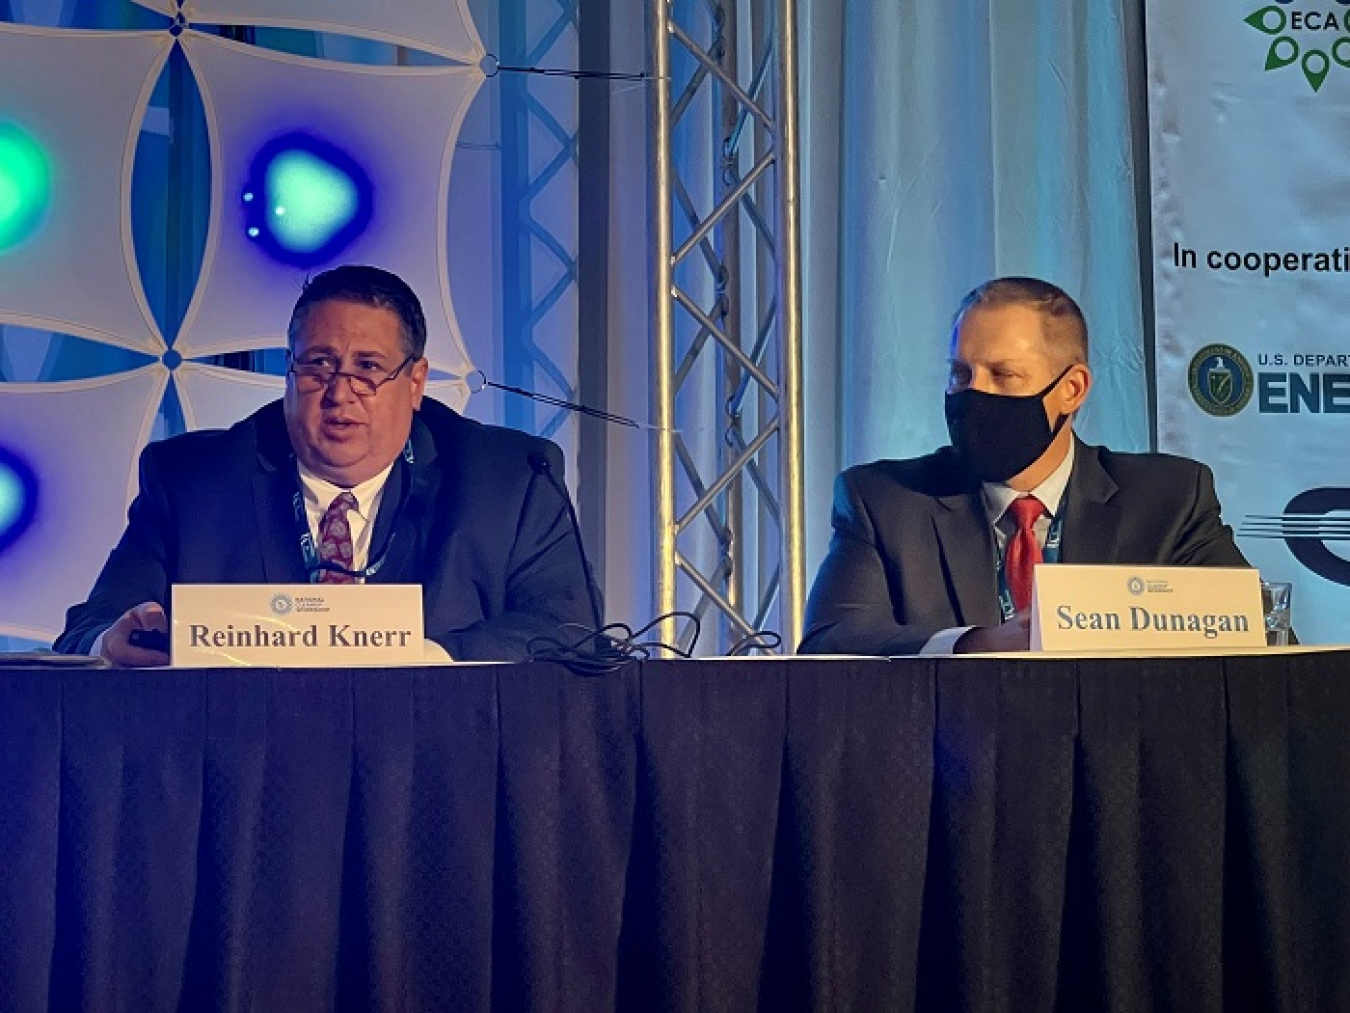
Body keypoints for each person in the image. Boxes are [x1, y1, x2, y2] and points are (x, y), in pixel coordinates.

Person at [55, 264, 599, 665]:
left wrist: (425, 657)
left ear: (415, 382)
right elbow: (89, 628)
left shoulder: (508, 481)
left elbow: (570, 631)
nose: (340, 394)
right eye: (318, 365)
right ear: (289, 371)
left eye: (368, 369)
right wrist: (113, 641)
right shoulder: (194, 482)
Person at [799, 276, 1249, 656]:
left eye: (1003, 375)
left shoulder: (1169, 500)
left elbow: (1256, 641)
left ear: (1071, 389)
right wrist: (978, 644)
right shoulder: (886, 501)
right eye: (960, 374)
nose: (973, 395)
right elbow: (831, 644)